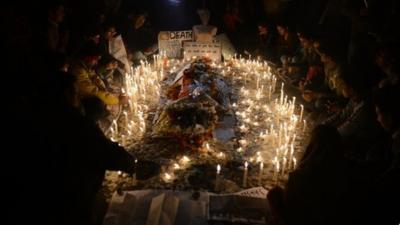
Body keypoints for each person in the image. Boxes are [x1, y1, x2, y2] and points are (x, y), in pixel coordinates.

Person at [267, 125, 350, 225]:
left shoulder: (300, 178)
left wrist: (277, 198)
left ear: (312, 147)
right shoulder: (347, 174)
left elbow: (291, 213)